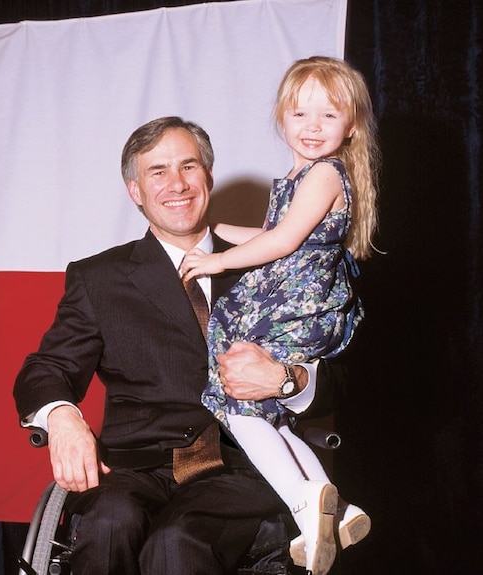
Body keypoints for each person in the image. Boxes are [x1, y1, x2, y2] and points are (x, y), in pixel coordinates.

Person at [14, 115, 342, 574]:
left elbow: (338, 375)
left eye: (188, 167)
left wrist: (288, 379)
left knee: (176, 542)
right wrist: (63, 416)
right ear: (135, 190)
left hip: (244, 466)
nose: (177, 184)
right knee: (109, 524)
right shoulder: (100, 278)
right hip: (135, 469)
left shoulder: (270, 260)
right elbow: (46, 369)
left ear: (208, 175)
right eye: (158, 171)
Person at [182, 56, 379, 575]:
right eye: (300, 114)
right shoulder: (302, 175)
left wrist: (219, 258)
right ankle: (334, 511)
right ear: (280, 118)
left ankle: (301, 504)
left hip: (296, 305)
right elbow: (287, 238)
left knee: (237, 405)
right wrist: (222, 231)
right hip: (297, 296)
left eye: (329, 116)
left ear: (352, 125)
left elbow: (285, 240)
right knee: (268, 413)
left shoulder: (325, 173)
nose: (312, 127)